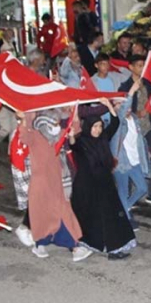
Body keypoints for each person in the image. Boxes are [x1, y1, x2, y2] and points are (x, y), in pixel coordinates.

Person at [16, 111, 90, 261]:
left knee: (64, 212)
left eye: (57, 122)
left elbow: (74, 129)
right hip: (41, 183)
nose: (57, 125)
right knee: (42, 215)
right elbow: (23, 136)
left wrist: (74, 112)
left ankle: (74, 245)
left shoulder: (58, 136)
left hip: (59, 182)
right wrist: (24, 119)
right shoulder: (36, 136)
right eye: (54, 123)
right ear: (45, 123)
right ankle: (40, 244)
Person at [69, 98, 137, 259]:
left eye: (100, 126)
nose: (98, 130)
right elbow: (73, 144)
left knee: (112, 216)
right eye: (95, 127)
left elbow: (115, 122)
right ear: (88, 127)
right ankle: (85, 243)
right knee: (89, 217)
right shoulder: (81, 141)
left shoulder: (103, 139)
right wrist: (71, 134)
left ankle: (114, 248)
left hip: (105, 184)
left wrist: (108, 106)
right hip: (87, 186)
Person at [118, 55, 151, 207]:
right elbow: (122, 108)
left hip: (145, 129)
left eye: (143, 65)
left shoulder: (148, 84)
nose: (141, 68)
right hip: (131, 131)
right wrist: (135, 113)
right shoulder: (125, 87)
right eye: (138, 65)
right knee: (131, 162)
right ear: (131, 67)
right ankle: (127, 196)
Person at [109, 79, 151, 227]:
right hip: (121, 162)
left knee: (142, 188)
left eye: (123, 103)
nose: (123, 107)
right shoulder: (116, 121)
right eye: (118, 104)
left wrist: (146, 151)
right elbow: (123, 108)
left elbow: (139, 138)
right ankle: (125, 219)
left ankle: (124, 207)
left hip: (135, 160)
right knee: (123, 191)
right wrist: (132, 90)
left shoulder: (133, 118)